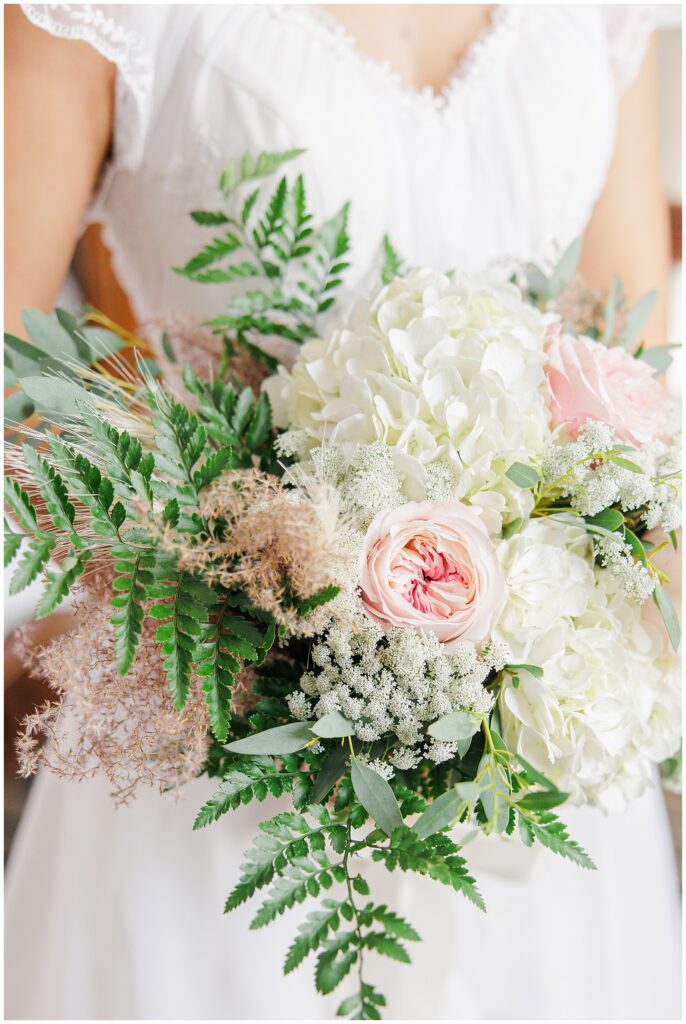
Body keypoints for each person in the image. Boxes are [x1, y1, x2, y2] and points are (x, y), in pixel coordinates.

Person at [5, 5, 680, 1018]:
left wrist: (564, 610)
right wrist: (209, 558)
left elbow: (632, 380)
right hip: (216, 738)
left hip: (532, 768)